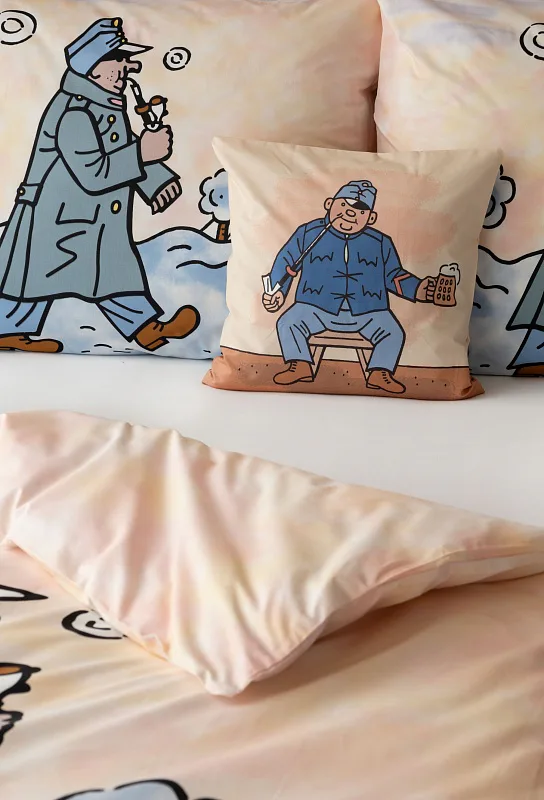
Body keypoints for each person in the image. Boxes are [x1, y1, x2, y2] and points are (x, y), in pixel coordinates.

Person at [0, 17, 200, 353]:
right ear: (93, 67)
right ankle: (7, 331)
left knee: (111, 271)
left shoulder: (103, 103)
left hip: (88, 216)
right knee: (31, 277)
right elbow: (93, 171)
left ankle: (147, 329)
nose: (128, 67)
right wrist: (144, 153)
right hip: (54, 217)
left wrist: (155, 180)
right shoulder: (75, 112)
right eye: (119, 59)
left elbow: (120, 146)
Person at [262, 180, 438, 394]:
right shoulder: (308, 233)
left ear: (371, 218)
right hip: (315, 306)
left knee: (393, 332)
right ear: (329, 204)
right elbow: (286, 260)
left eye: (360, 211)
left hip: (368, 310)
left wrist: (419, 289)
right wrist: (277, 292)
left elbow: (394, 276)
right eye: (344, 205)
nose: (350, 214)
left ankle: (380, 372)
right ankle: (299, 364)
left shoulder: (381, 242)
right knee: (288, 322)